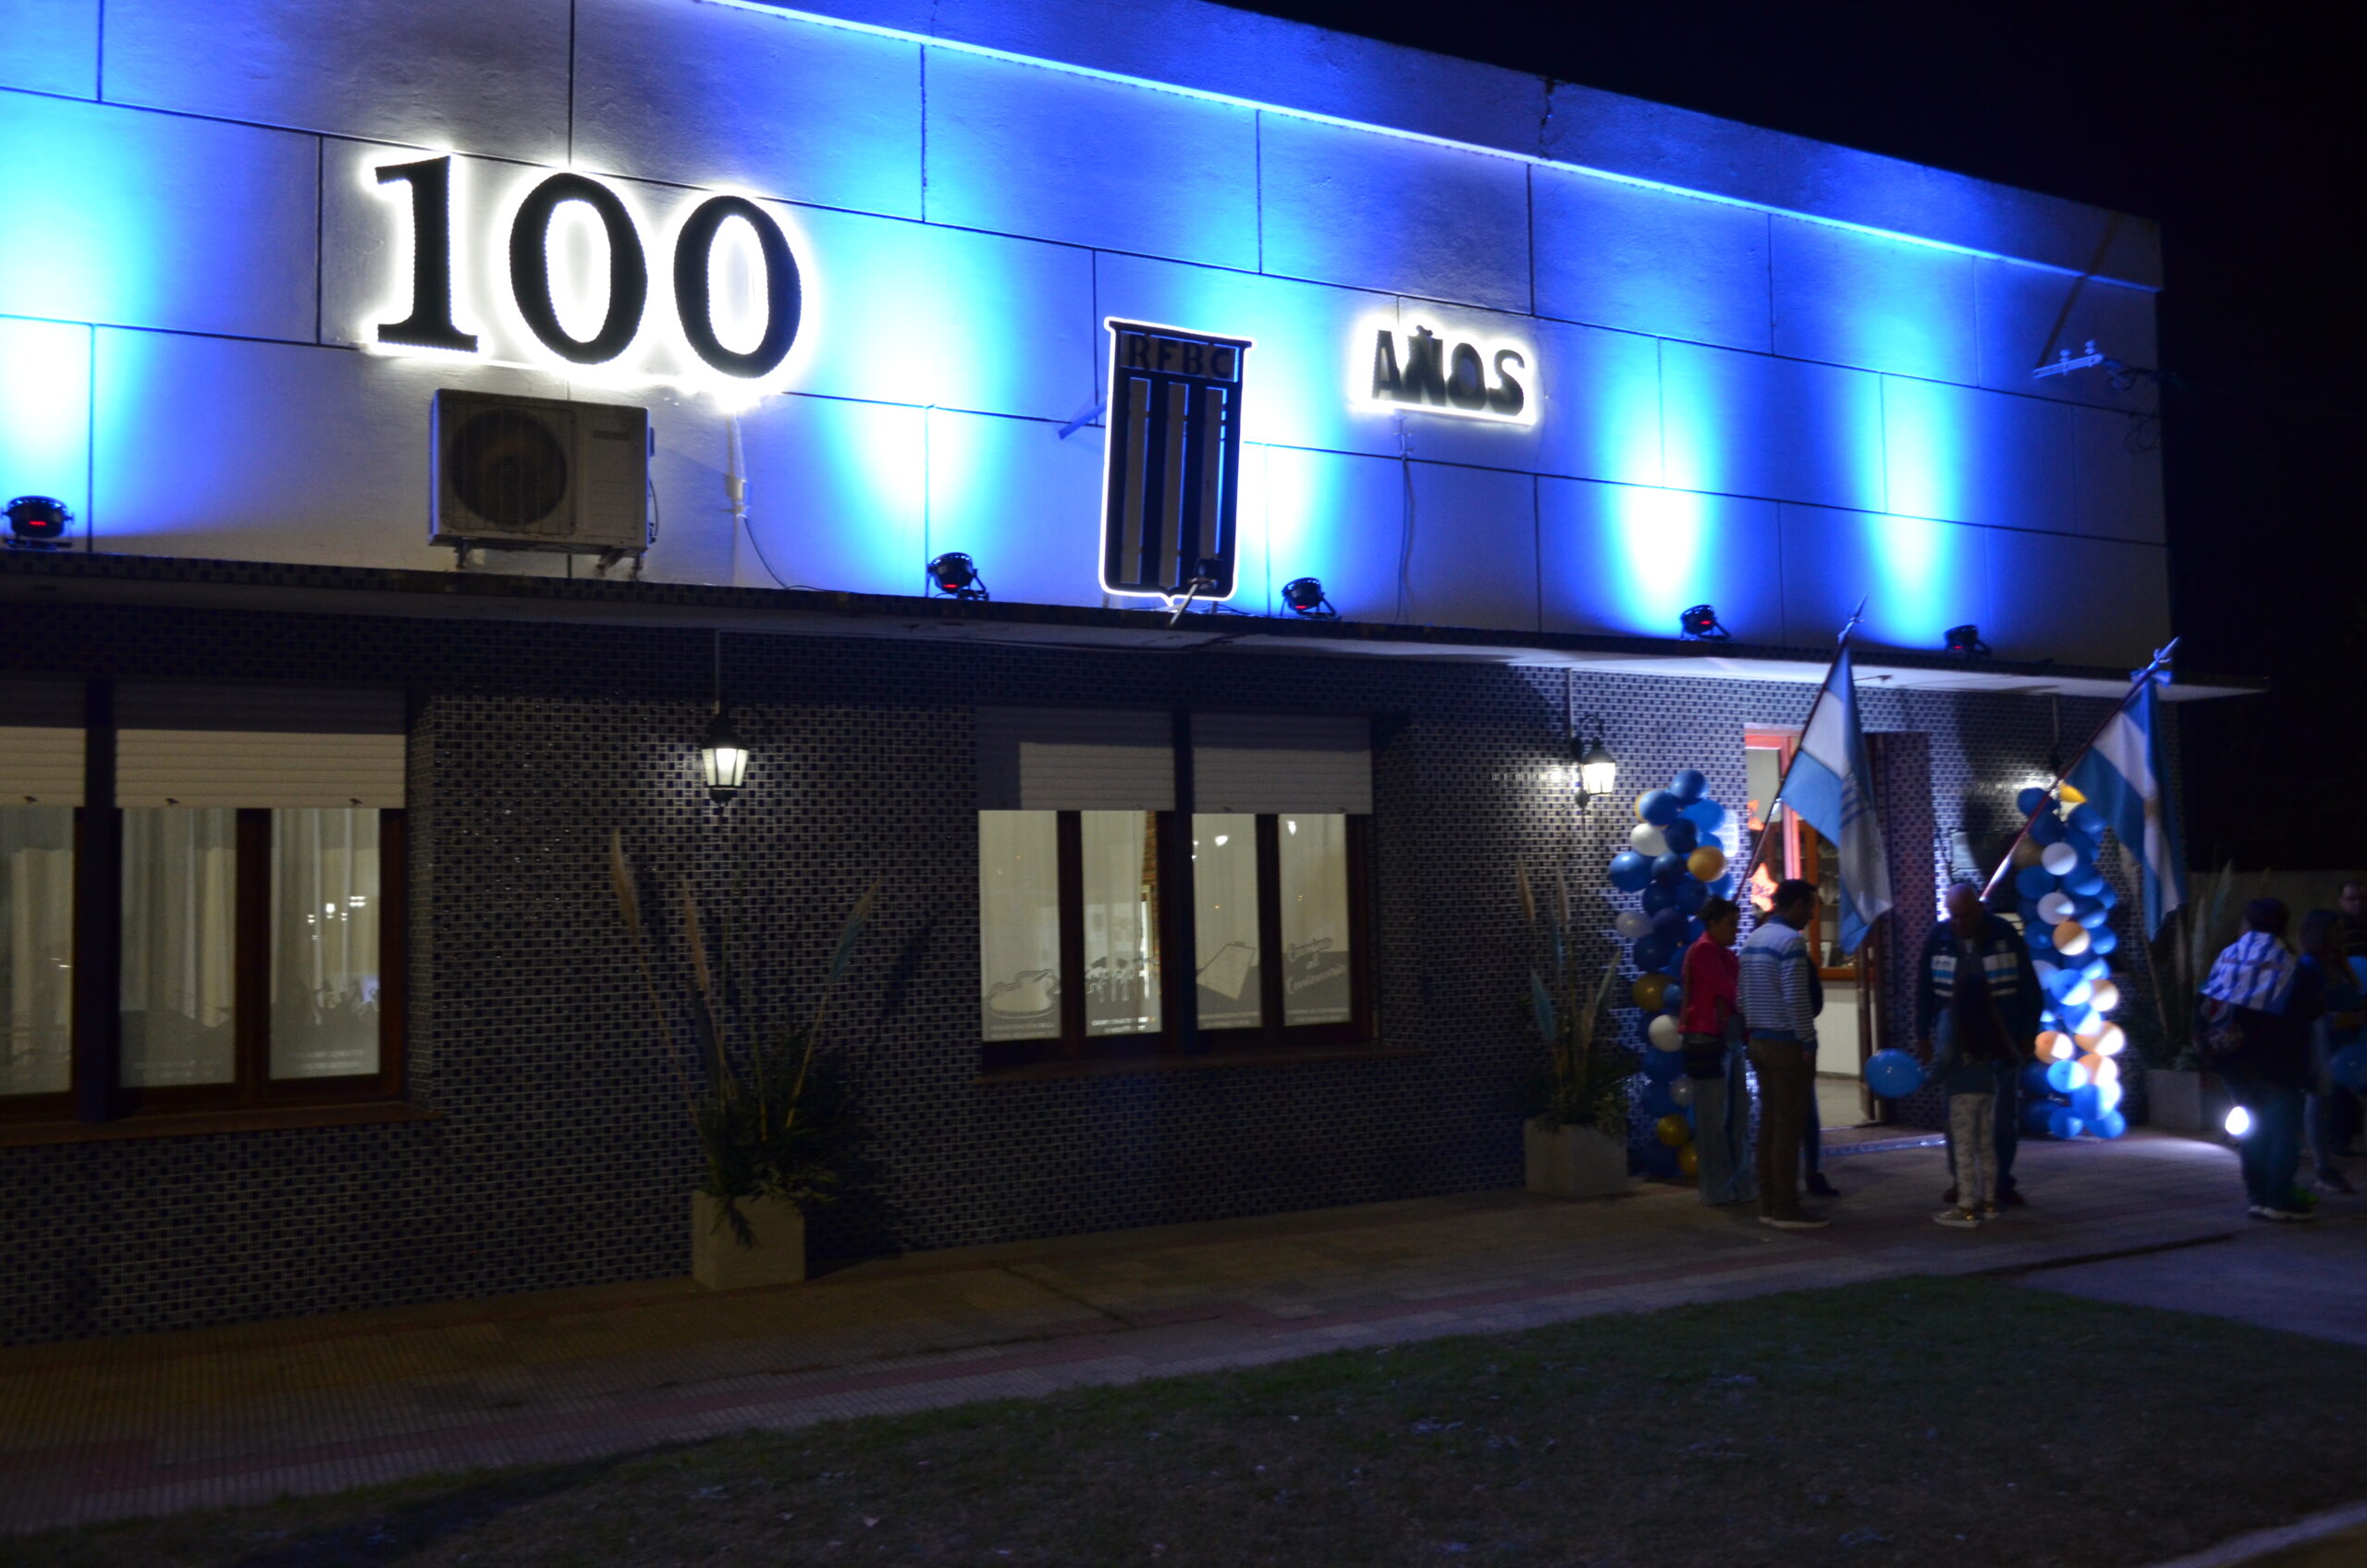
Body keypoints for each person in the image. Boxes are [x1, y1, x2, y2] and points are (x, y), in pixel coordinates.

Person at [1914, 880, 2042, 1210]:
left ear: (1980, 909)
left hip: (2001, 1038)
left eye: (1966, 915)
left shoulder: (2003, 934)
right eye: (1954, 916)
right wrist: (1923, 1037)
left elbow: (2029, 986)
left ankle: (1999, 1184)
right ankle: (1963, 1183)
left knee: (2001, 1117)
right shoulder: (1939, 938)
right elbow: (1924, 989)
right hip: (1954, 1041)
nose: (1959, 923)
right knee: (1955, 1117)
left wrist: (2027, 1035)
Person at [2198, 900, 2326, 1221]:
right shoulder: (2289, 964)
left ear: (2246, 923)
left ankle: (2256, 1197)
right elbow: (2311, 1011)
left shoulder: (2227, 957)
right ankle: (2278, 1199)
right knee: (2283, 1133)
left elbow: (2204, 1005)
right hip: (2277, 1064)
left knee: (2253, 1130)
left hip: (2232, 1060)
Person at [1739, 878, 1826, 1230]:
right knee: (1789, 1127)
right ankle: (1787, 1207)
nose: (1811, 915)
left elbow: (1741, 996)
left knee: (1769, 1125)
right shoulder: (1791, 942)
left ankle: (1768, 1201)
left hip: (1758, 1040)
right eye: (1809, 907)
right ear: (1795, 905)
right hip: (1786, 1044)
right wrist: (1808, 1041)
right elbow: (1796, 998)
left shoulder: (1753, 939)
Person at [1679, 898, 1754, 1207]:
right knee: (1714, 1118)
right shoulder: (1704, 951)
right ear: (1712, 924)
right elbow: (1731, 991)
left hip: (1726, 1039)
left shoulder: (1724, 953)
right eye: (1730, 924)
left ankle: (1737, 1184)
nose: (1735, 930)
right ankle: (1720, 1188)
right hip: (1707, 1040)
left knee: (1736, 1115)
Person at [2297, 909, 2362, 1193]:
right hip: (2324, 1043)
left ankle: (2325, 1165)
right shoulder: (2310, 966)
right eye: (2336, 931)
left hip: (2346, 1046)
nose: (2342, 936)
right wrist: (2347, 1018)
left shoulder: (2338, 964)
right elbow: (2309, 1012)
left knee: (2324, 1103)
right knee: (2317, 1104)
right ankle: (2323, 1167)